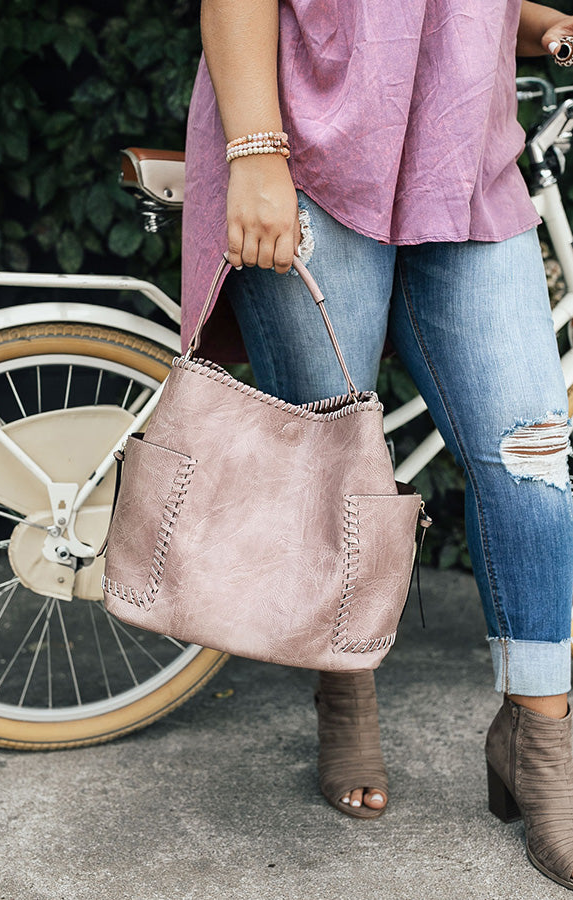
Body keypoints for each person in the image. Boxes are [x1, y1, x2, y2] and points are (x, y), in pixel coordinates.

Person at [182, 0, 573, 889]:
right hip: (307, 158)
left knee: (533, 455)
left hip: (465, 165)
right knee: (335, 448)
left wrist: (547, 26)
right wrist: (255, 152)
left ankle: (539, 739)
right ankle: (344, 685)